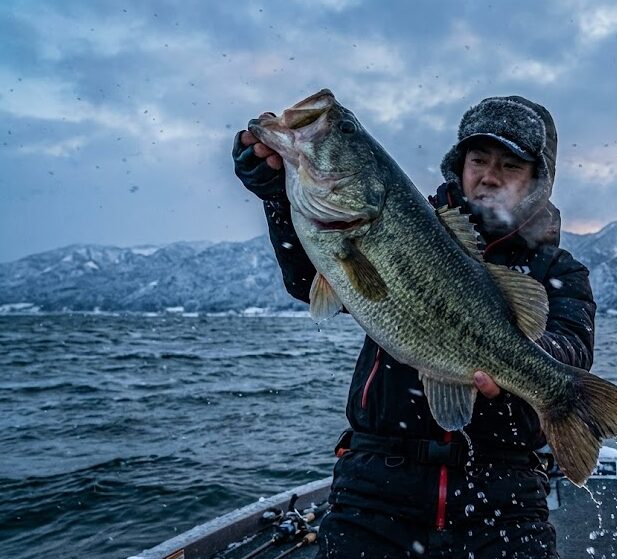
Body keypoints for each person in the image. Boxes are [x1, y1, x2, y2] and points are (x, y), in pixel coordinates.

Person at [232, 95, 596, 558]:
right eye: (478, 159)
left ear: (536, 180)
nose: (488, 175)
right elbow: (308, 280)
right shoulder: (406, 222)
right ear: (458, 166)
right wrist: (276, 197)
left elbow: (571, 348)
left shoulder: (558, 269)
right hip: (376, 484)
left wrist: (515, 367)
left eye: (509, 164)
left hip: (504, 494)